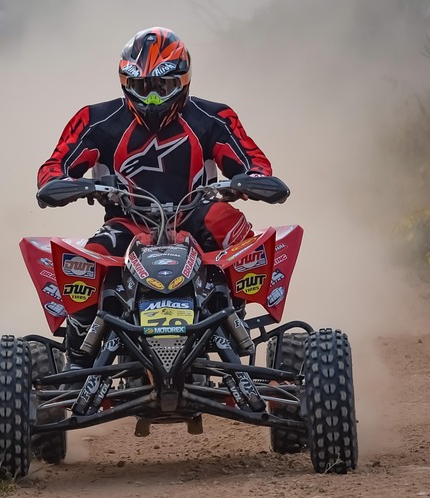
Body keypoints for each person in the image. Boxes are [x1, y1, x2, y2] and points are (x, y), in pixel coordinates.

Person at [37, 26, 285, 370]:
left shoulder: (214, 117)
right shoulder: (96, 120)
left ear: (183, 82)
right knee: (84, 260)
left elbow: (255, 163)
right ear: (126, 84)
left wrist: (249, 181)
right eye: (141, 88)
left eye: (161, 88)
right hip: (127, 224)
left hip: (195, 217)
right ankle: (80, 349)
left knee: (227, 221)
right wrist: (68, 185)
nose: (151, 99)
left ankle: (233, 317)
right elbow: (53, 167)